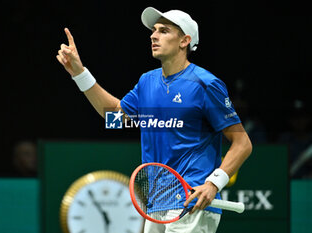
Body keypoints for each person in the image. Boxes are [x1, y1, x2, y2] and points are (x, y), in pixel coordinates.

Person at [56, 7, 252, 233]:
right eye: (154, 30)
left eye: (164, 31)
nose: (153, 35)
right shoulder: (147, 82)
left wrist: (213, 183)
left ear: (184, 41)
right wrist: (80, 74)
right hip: (156, 204)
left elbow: (242, 143)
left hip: (191, 203)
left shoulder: (205, 84)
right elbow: (115, 117)